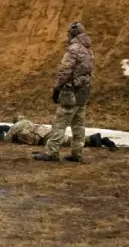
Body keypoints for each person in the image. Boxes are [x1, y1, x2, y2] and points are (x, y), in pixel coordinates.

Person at [34, 21, 95, 162]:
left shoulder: (74, 49)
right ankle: (76, 153)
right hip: (83, 92)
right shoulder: (88, 50)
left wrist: (56, 88)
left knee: (60, 123)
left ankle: (51, 152)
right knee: (78, 125)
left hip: (70, 92)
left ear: (73, 33)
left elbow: (65, 71)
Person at [6, 114, 116, 150]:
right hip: (46, 131)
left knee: (68, 142)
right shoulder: (27, 122)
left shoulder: (15, 127)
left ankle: (92, 139)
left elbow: (7, 139)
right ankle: (93, 139)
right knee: (68, 139)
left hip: (44, 137)